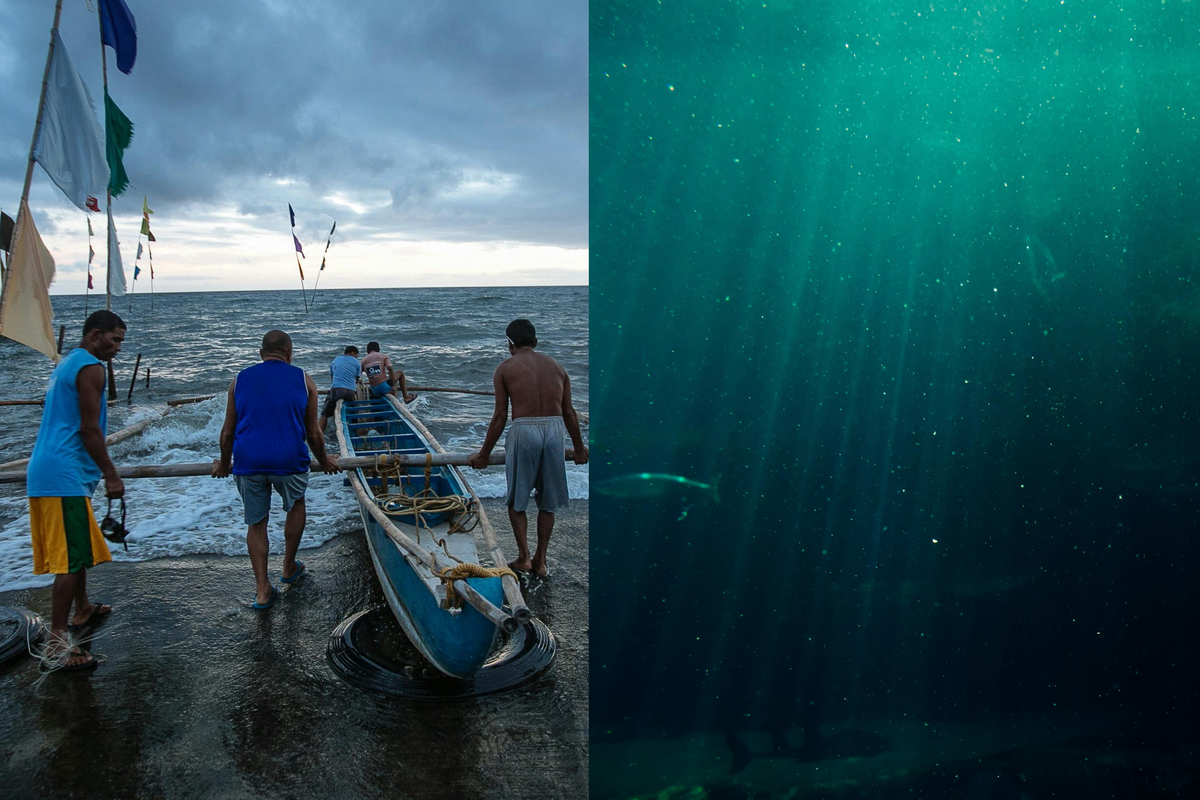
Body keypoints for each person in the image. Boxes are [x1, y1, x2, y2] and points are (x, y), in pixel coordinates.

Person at [26, 310, 127, 671]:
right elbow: (89, 430)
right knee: (69, 560)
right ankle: (56, 641)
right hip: (63, 475)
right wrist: (111, 474)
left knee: (78, 548)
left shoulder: (69, 362)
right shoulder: (91, 368)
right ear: (94, 334)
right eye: (114, 340)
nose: (118, 348)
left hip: (51, 470)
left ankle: (82, 608)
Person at [212, 330, 339, 609]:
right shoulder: (304, 380)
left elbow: (227, 433)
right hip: (288, 459)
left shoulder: (239, 380)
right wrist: (325, 459)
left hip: (248, 461)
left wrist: (223, 463)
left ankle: (261, 591)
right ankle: (288, 567)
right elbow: (314, 434)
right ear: (289, 354)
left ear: (261, 354)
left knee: (256, 523)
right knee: (295, 505)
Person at [466, 319, 588, 578]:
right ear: (535, 341)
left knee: (518, 500)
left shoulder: (504, 368)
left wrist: (484, 454)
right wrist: (579, 448)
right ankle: (541, 561)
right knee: (548, 502)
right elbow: (569, 413)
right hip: (556, 432)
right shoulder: (558, 367)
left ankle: (523, 556)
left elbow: (500, 416)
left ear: (509, 344)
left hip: (524, 430)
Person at [319, 345, 361, 431]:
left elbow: (332, 378)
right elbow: (356, 380)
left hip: (337, 390)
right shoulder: (357, 363)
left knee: (324, 414)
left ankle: (319, 433)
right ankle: (354, 431)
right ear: (353, 353)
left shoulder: (335, 360)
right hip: (350, 392)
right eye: (357, 355)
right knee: (352, 410)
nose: (356, 357)